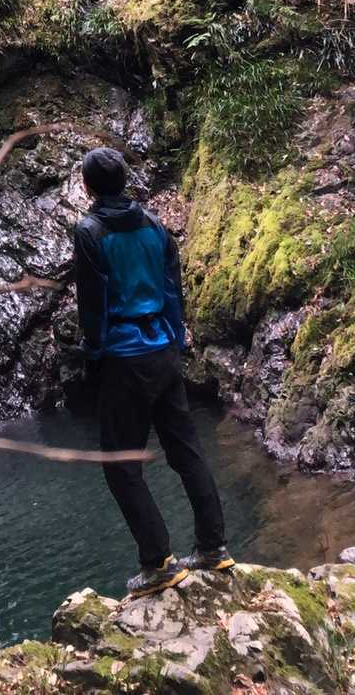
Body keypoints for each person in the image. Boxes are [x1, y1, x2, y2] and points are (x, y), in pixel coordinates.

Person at [74, 145, 233, 597]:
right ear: (125, 181)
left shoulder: (89, 232)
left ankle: (158, 562)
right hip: (163, 349)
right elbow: (171, 289)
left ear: (88, 186)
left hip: (123, 357)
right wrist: (176, 337)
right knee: (187, 451)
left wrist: (93, 352)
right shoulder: (155, 226)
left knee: (121, 465)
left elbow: (93, 303)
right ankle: (212, 547)